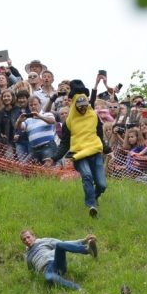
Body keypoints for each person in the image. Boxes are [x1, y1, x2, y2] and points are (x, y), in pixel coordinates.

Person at [55, 79, 108, 217]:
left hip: (95, 152)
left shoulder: (94, 117)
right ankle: (91, 205)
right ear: (75, 106)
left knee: (102, 185)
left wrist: (108, 149)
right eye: (80, 107)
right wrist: (54, 157)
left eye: (85, 106)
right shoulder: (68, 122)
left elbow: (99, 136)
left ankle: (95, 196)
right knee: (87, 176)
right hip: (79, 154)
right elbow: (64, 144)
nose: (83, 109)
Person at [21, 230, 98, 290]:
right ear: (23, 242)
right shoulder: (28, 257)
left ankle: (88, 250)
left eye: (28, 237)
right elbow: (32, 272)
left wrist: (84, 240)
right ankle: (77, 288)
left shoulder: (43, 241)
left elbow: (64, 243)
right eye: (24, 239)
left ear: (33, 236)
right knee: (49, 277)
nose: (27, 240)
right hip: (47, 269)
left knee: (59, 245)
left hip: (56, 261)